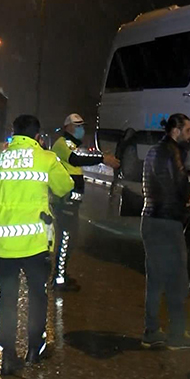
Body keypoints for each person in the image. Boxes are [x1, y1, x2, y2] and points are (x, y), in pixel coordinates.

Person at [0, 115, 74, 375]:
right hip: (36, 244)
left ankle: (8, 354)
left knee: (7, 298)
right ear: (38, 136)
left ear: (14, 133)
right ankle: (35, 349)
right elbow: (66, 185)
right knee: (37, 296)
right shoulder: (45, 159)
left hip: (5, 245)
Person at [140, 113, 190, 350]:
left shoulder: (154, 150)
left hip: (150, 219)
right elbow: (179, 181)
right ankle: (177, 334)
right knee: (177, 279)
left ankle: (151, 330)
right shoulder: (173, 152)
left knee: (155, 279)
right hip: (167, 222)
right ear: (175, 131)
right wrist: (187, 197)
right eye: (188, 131)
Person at [50, 113, 120, 291]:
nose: (81, 129)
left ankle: (62, 274)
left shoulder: (71, 145)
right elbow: (76, 160)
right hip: (64, 202)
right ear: (67, 128)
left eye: (82, 125)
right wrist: (102, 159)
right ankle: (58, 280)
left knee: (70, 239)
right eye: (77, 126)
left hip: (70, 202)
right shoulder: (62, 143)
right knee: (66, 238)